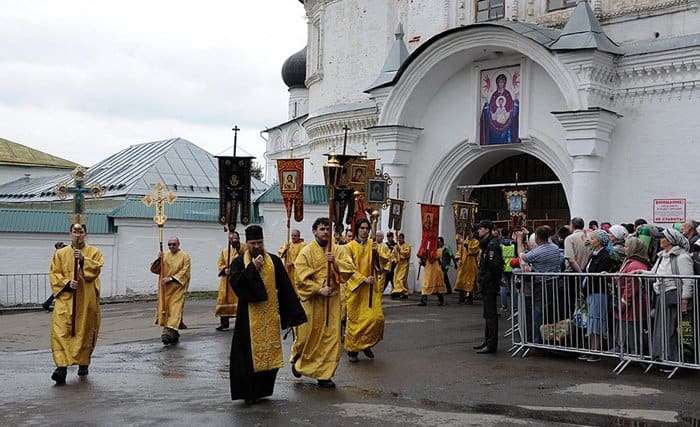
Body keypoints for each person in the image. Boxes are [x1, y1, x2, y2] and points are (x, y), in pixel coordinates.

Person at [228, 225, 307, 404]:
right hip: (247, 317)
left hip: (270, 315)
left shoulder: (273, 260)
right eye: (253, 243)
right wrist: (252, 269)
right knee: (247, 358)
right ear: (247, 243)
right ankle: (249, 394)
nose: (257, 246)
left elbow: (285, 287)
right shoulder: (239, 262)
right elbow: (237, 284)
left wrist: (294, 313)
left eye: (260, 242)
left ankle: (263, 391)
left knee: (269, 357)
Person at [292, 218, 354, 388]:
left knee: (330, 337)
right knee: (306, 337)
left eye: (328, 229)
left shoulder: (337, 250)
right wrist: (318, 288)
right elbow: (300, 277)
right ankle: (298, 358)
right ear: (314, 231)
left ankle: (324, 375)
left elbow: (349, 269)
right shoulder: (306, 252)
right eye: (321, 229)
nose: (325, 232)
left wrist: (335, 262)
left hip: (332, 300)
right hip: (313, 300)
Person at [49, 224, 104, 384]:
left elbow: (95, 270)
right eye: (75, 231)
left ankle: (83, 361)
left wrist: (83, 261)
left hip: (86, 300)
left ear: (85, 233)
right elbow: (54, 273)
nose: (78, 235)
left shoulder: (94, 252)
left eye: (81, 232)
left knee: (84, 331)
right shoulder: (60, 254)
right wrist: (66, 283)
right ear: (70, 233)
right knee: (61, 331)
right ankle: (61, 367)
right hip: (66, 300)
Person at [642, 228, 694, 362]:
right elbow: (655, 274)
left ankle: (672, 359)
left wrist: (684, 301)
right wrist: (640, 272)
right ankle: (663, 357)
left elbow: (688, 281)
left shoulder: (682, 257)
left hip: (672, 298)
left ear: (670, 241)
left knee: (670, 330)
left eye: (662, 237)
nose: (660, 240)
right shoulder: (661, 257)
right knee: (662, 328)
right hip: (661, 296)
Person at [344, 218, 385, 363]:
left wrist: (377, 253)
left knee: (376, 318)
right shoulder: (349, 247)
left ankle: (366, 344)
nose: (365, 231)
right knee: (356, 321)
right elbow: (347, 269)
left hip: (371, 289)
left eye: (367, 228)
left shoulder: (373, 245)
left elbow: (381, 267)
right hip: (356, 289)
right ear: (357, 229)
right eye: (362, 228)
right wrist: (362, 279)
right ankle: (352, 349)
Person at [516, 226, 561, 344]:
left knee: (538, 312)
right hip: (554, 282)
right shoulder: (555, 248)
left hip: (541, 285)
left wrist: (519, 240)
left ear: (537, 237)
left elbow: (522, 257)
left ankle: (537, 340)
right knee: (551, 312)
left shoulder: (540, 251)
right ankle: (550, 339)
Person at [578, 230, 615, 362]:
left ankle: (596, 350)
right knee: (591, 321)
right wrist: (582, 288)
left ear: (599, 241)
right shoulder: (592, 255)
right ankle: (590, 348)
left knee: (597, 321)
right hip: (589, 291)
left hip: (598, 292)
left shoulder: (604, 256)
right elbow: (586, 272)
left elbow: (596, 275)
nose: (590, 241)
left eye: (593, 239)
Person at [149, 236, 191, 345]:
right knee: (166, 310)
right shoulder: (165, 255)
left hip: (177, 288)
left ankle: (167, 334)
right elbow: (155, 270)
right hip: (165, 289)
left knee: (175, 310)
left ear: (178, 245)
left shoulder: (185, 256)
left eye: (174, 244)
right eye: (169, 244)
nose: (171, 246)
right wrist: (158, 259)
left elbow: (185, 272)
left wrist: (171, 278)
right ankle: (174, 333)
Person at [612, 237, 649, 356]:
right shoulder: (630, 262)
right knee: (626, 327)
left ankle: (634, 353)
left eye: (627, 246)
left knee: (632, 329)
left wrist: (624, 302)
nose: (624, 248)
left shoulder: (636, 264)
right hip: (630, 303)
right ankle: (628, 351)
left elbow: (632, 286)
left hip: (633, 304)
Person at [473, 220, 504, 354]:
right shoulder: (486, 245)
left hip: (490, 283)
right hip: (487, 283)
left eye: (480, 229)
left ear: (486, 230)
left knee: (491, 315)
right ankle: (487, 341)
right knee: (487, 314)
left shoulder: (492, 245)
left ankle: (491, 344)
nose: (478, 231)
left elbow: (494, 266)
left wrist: (486, 279)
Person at [215, 231, 246, 331]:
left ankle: (240, 322)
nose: (233, 240)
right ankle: (224, 322)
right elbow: (220, 263)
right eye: (231, 238)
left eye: (235, 238)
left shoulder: (243, 248)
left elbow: (245, 259)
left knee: (238, 299)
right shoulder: (225, 251)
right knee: (224, 298)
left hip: (238, 278)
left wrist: (237, 247)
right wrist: (224, 269)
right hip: (227, 280)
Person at [454, 231, 480, 305]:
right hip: (463, 264)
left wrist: (466, 246)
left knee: (470, 282)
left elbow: (474, 251)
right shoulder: (464, 241)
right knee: (460, 281)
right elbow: (459, 251)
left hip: (471, 264)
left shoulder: (476, 242)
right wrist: (458, 258)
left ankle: (469, 299)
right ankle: (461, 298)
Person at [43, 241, 67, 311]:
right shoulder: (59, 253)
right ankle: (47, 304)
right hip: (59, 275)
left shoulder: (59, 253)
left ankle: (47, 303)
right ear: (59, 246)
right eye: (62, 246)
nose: (63, 247)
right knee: (60, 290)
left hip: (59, 275)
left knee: (59, 290)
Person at [392, 232, 411, 299]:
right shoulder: (395, 246)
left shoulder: (407, 246)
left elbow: (406, 254)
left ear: (403, 238)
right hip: (398, 264)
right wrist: (394, 259)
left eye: (400, 238)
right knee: (396, 278)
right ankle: (404, 292)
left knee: (401, 278)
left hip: (404, 264)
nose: (399, 240)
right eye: (398, 238)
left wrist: (400, 249)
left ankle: (398, 291)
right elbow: (393, 255)